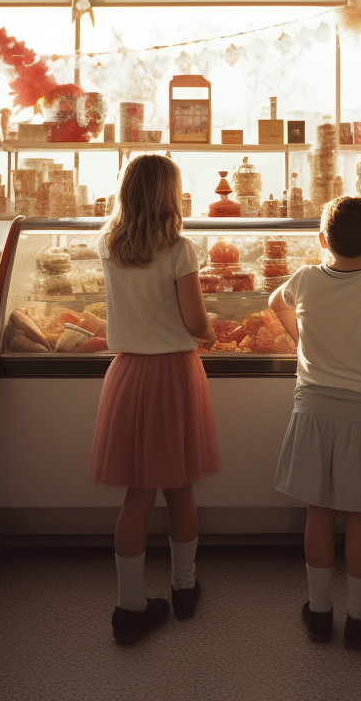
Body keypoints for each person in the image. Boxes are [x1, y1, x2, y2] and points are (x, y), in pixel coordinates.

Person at [270, 196, 361, 650]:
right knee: (359, 521)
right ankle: (358, 616)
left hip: (312, 411)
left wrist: (302, 341)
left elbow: (276, 302)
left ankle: (318, 613)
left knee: (319, 514)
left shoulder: (306, 280)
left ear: (321, 240)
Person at [89, 153, 220, 645]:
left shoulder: (109, 244)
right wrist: (209, 335)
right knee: (180, 487)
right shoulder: (179, 249)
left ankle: (129, 607)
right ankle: (184, 589)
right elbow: (195, 323)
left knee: (137, 495)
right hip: (174, 375)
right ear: (169, 195)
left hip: (128, 374)